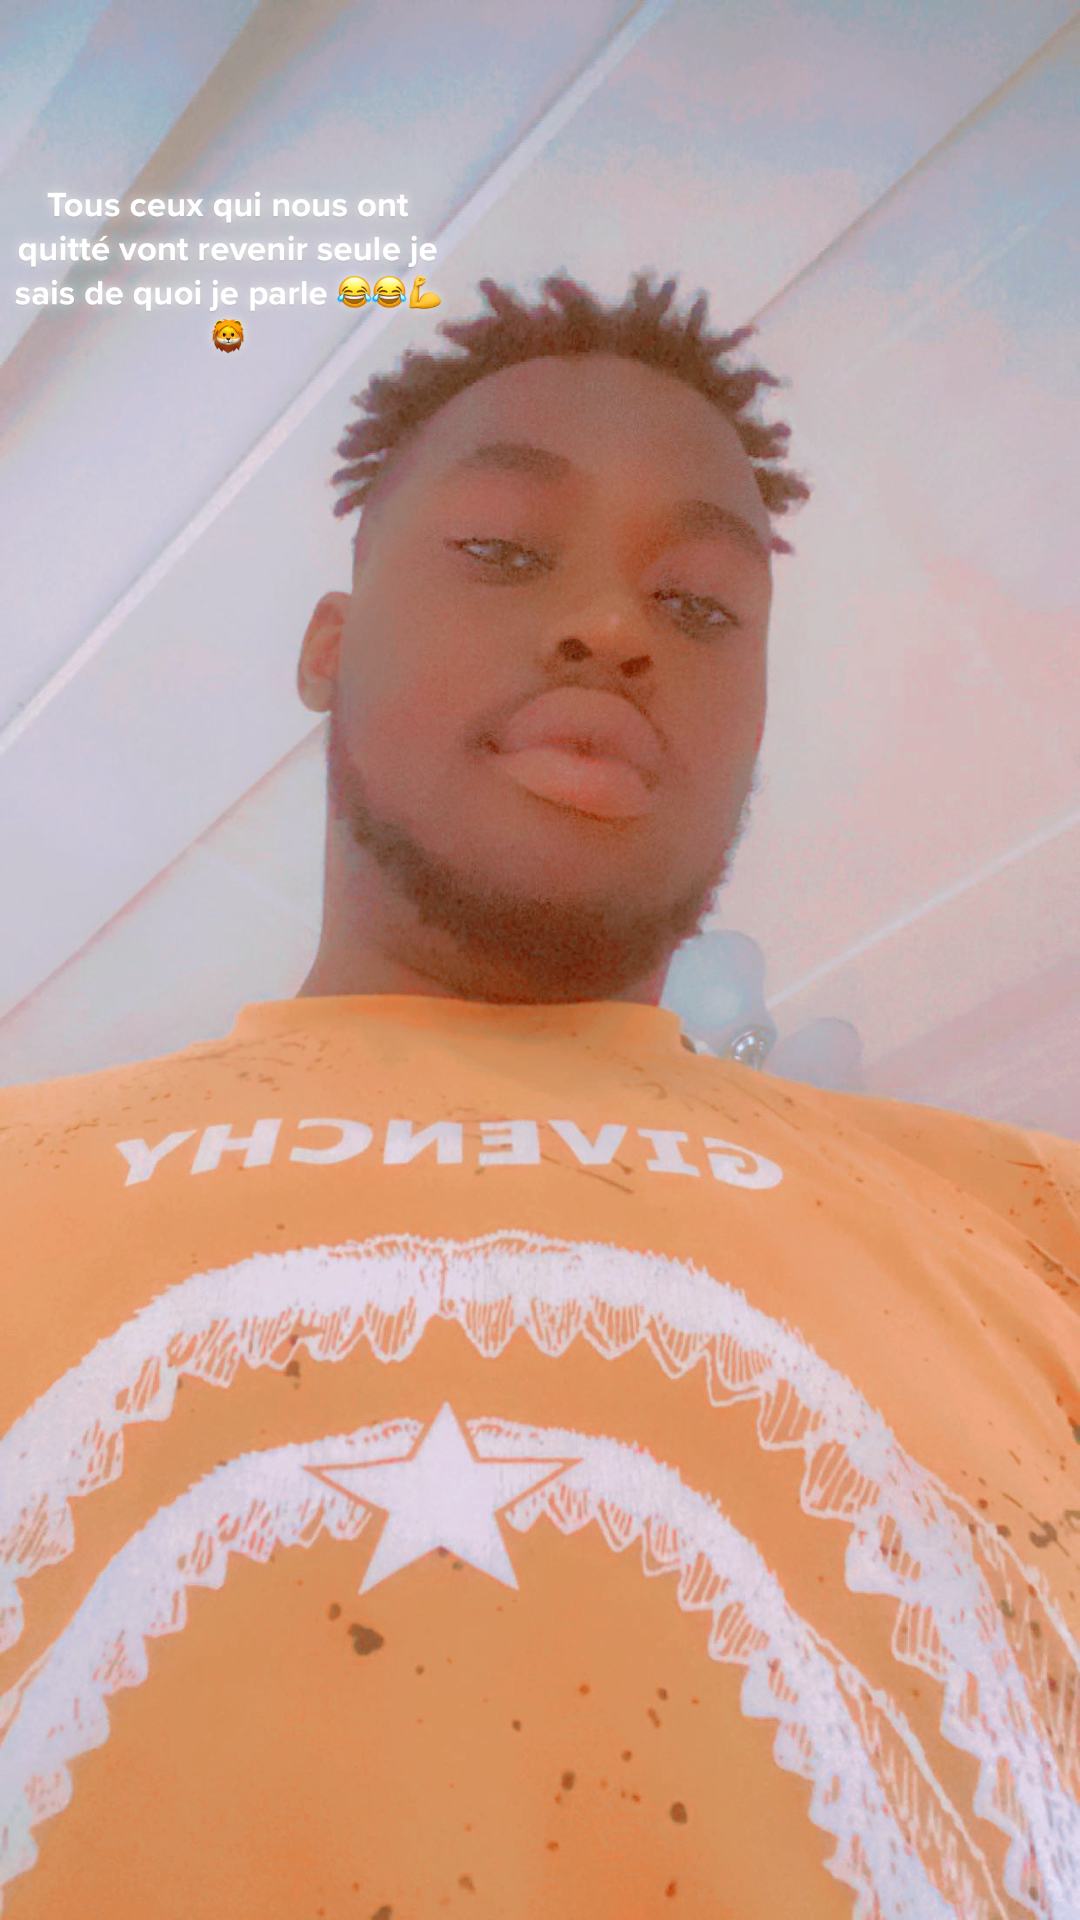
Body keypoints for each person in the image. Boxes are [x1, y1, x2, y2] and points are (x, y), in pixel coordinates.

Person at [1, 272, 1077, 1920]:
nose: (614, 630)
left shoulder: (1034, 1218)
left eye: (699, 606)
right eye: (506, 552)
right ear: (329, 646)